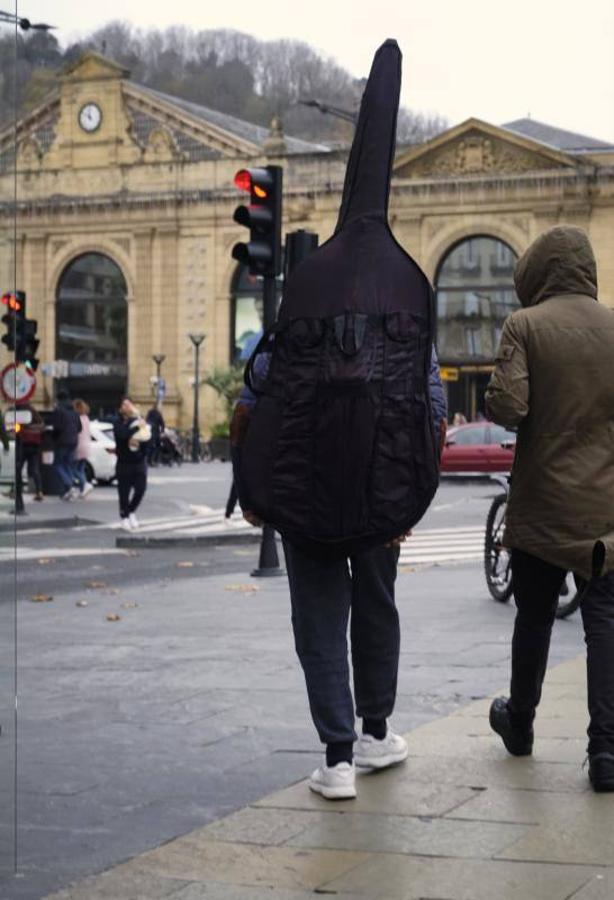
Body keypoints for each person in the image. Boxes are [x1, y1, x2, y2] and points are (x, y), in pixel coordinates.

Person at [235, 347, 447, 799]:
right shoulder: (399, 318)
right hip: (380, 488)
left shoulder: (298, 320)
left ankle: (338, 761)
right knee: (376, 603)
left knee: (318, 618)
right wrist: (411, 496)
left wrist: (252, 493)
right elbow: (433, 413)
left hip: (303, 493)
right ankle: (375, 733)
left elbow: (250, 409)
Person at [485, 225, 614, 792]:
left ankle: (521, 723)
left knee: (533, 618)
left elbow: (509, 407)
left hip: (541, 506)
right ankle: (607, 750)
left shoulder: (525, 325)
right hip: (606, 512)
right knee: (605, 624)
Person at [113, 397, 150, 531]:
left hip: (139, 462)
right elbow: (122, 435)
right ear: (120, 408)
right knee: (123, 492)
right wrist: (135, 430)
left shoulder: (138, 421)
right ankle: (124, 517)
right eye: (123, 404)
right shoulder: (117, 423)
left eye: (129, 404)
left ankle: (131, 511)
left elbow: (147, 438)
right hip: (124, 463)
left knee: (141, 489)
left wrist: (142, 447)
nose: (126, 406)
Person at [51, 389, 82, 501]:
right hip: (73, 441)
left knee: (58, 465)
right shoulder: (74, 412)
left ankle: (69, 486)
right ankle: (68, 490)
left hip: (61, 441)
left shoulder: (58, 410)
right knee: (68, 465)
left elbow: (57, 427)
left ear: (58, 399)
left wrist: (53, 437)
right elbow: (79, 428)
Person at [15, 402, 44, 506]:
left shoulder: (20, 415)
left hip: (24, 445)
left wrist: (20, 428)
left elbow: (17, 431)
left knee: (18, 468)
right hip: (35, 446)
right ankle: (39, 492)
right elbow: (41, 427)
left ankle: (16, 491)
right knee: (35, 470)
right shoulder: (35, 415)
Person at [73, 399, 94, 498]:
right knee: (80, 469)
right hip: (87, 445)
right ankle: (83, 490)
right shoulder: (86, 418)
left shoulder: (77, 418)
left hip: (79, 446)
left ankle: (85, 484)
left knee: (74, 469)